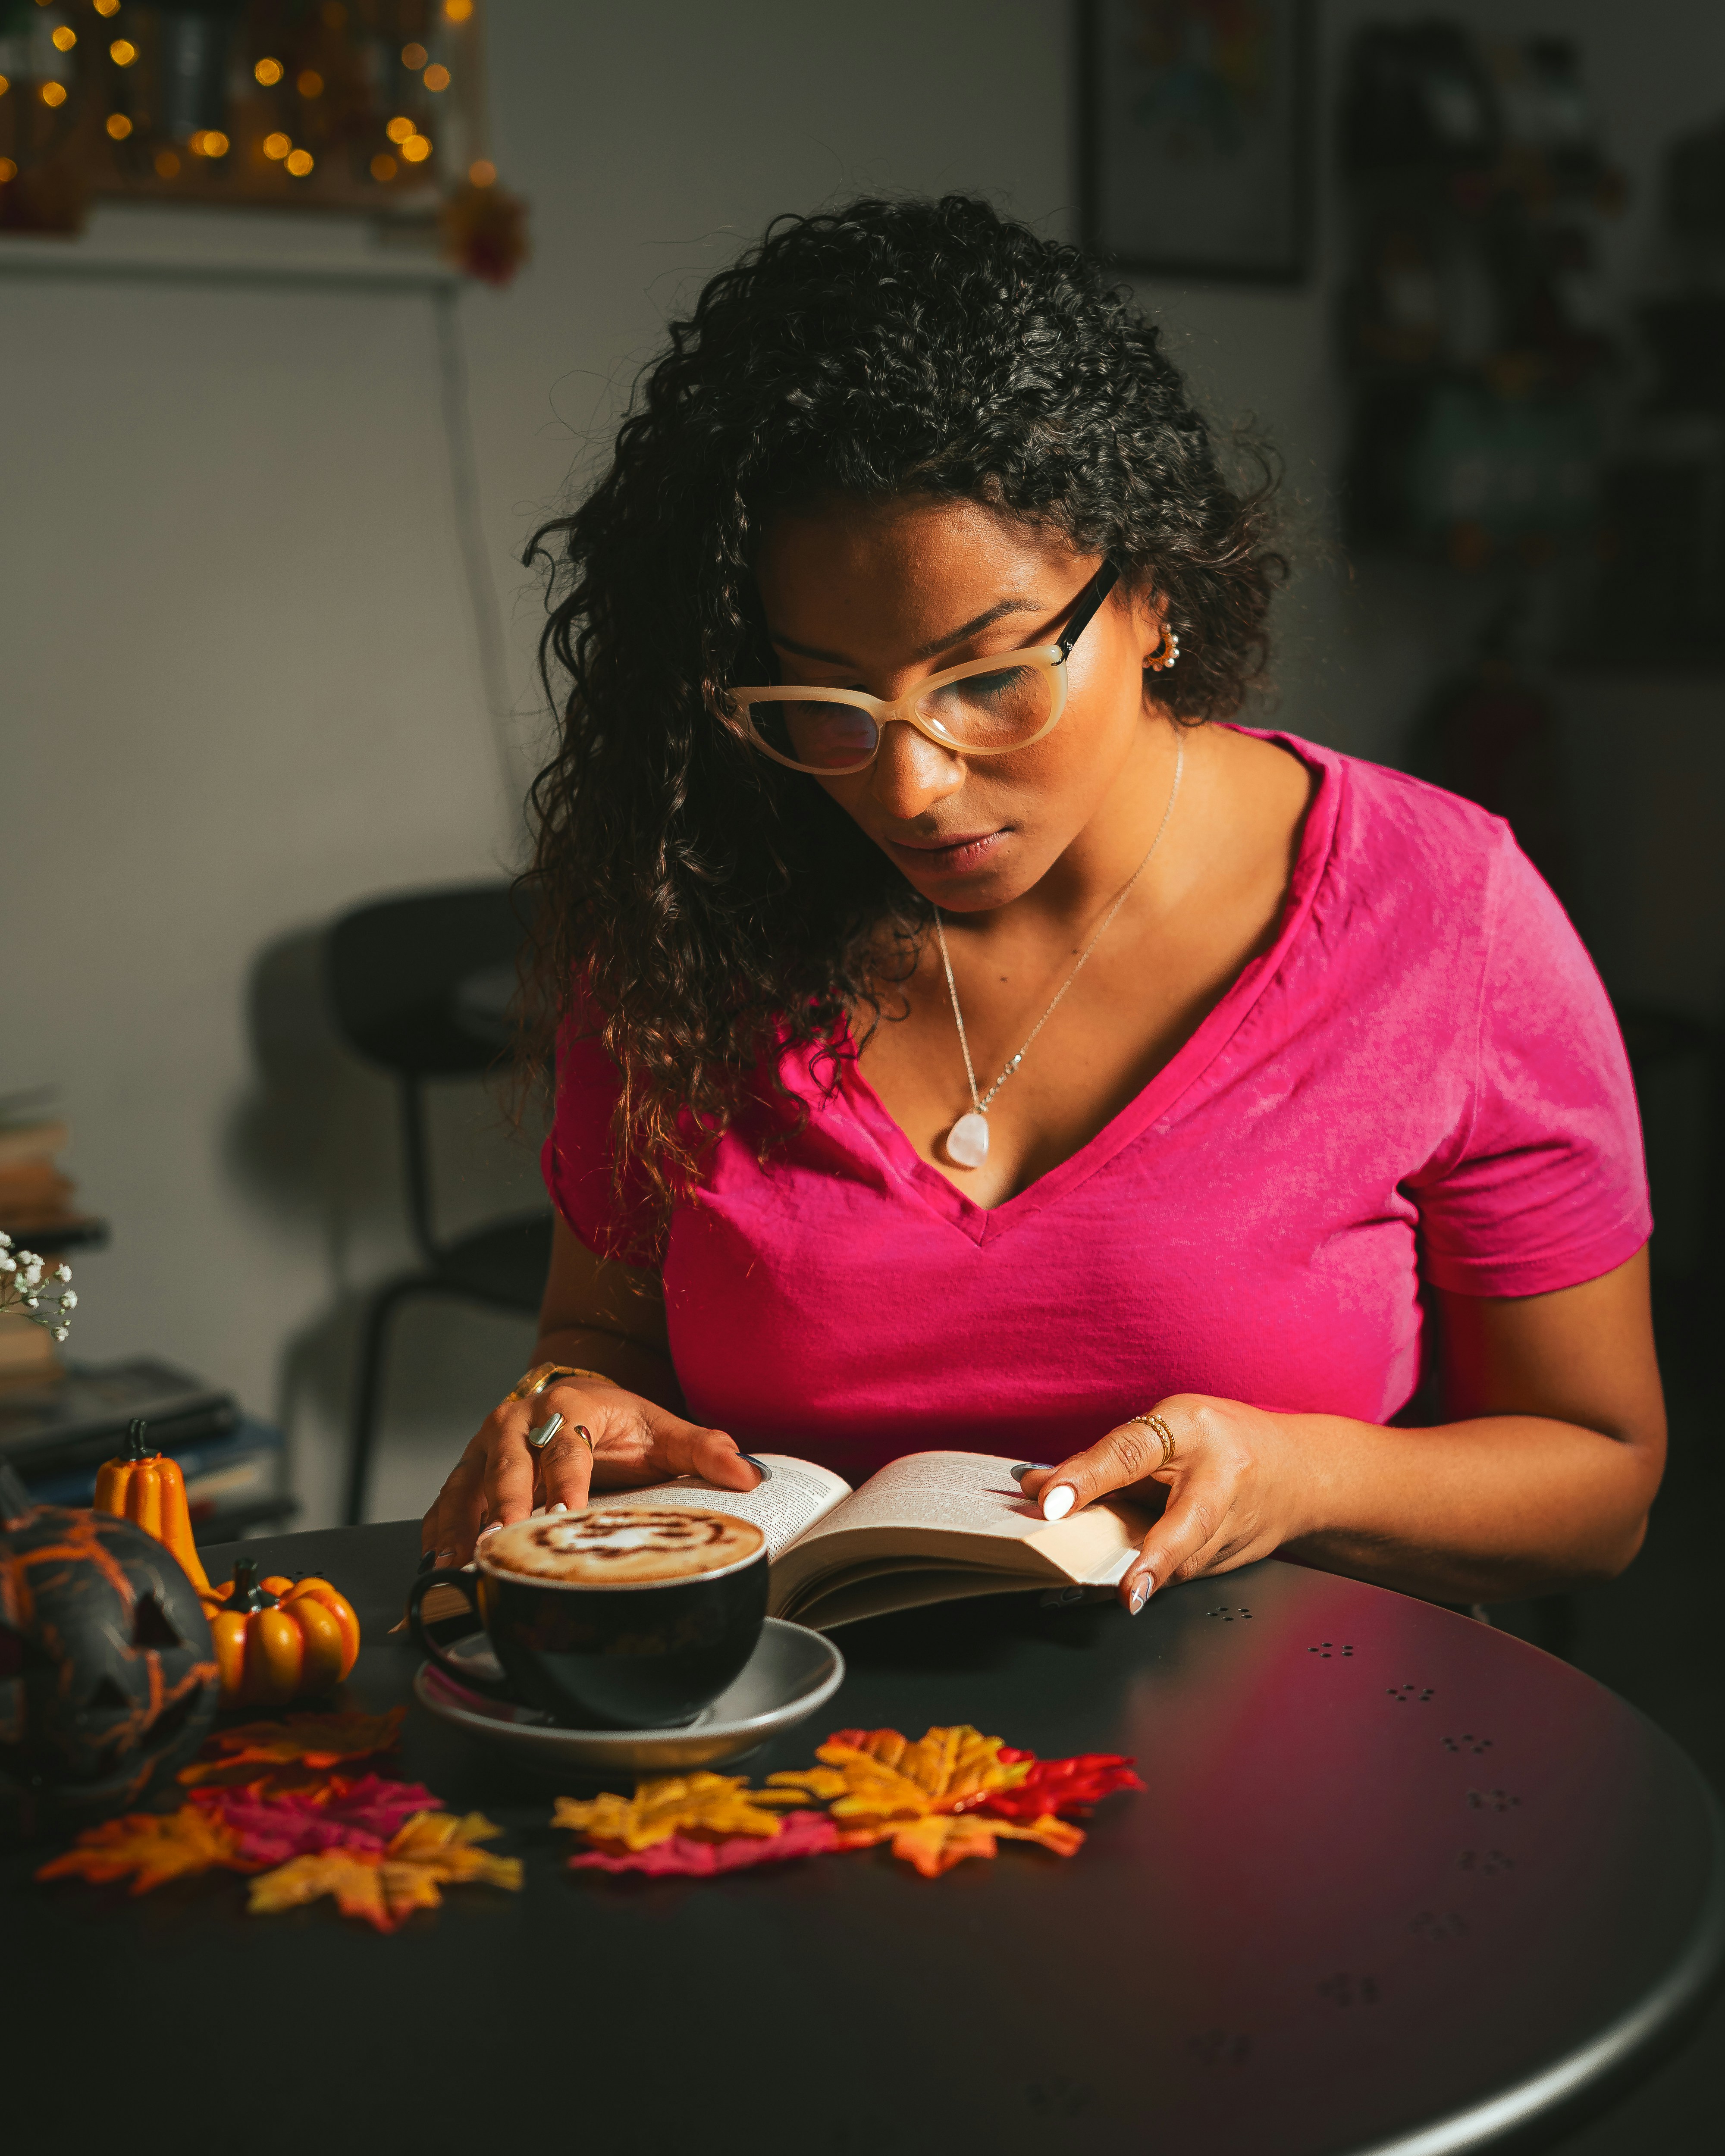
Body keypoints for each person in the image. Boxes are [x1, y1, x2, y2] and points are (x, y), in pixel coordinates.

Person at [423, 195, 1663, 1616]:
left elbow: (1602, 1484)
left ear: (1150, 593)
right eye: (822, 705)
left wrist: (1298, 1478)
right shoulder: (690, 916)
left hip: (1279, 1778)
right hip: (781, 1773)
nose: (912, 785)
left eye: (989, 675)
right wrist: (567, 1407)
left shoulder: (1445, 915)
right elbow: (601, 1335)